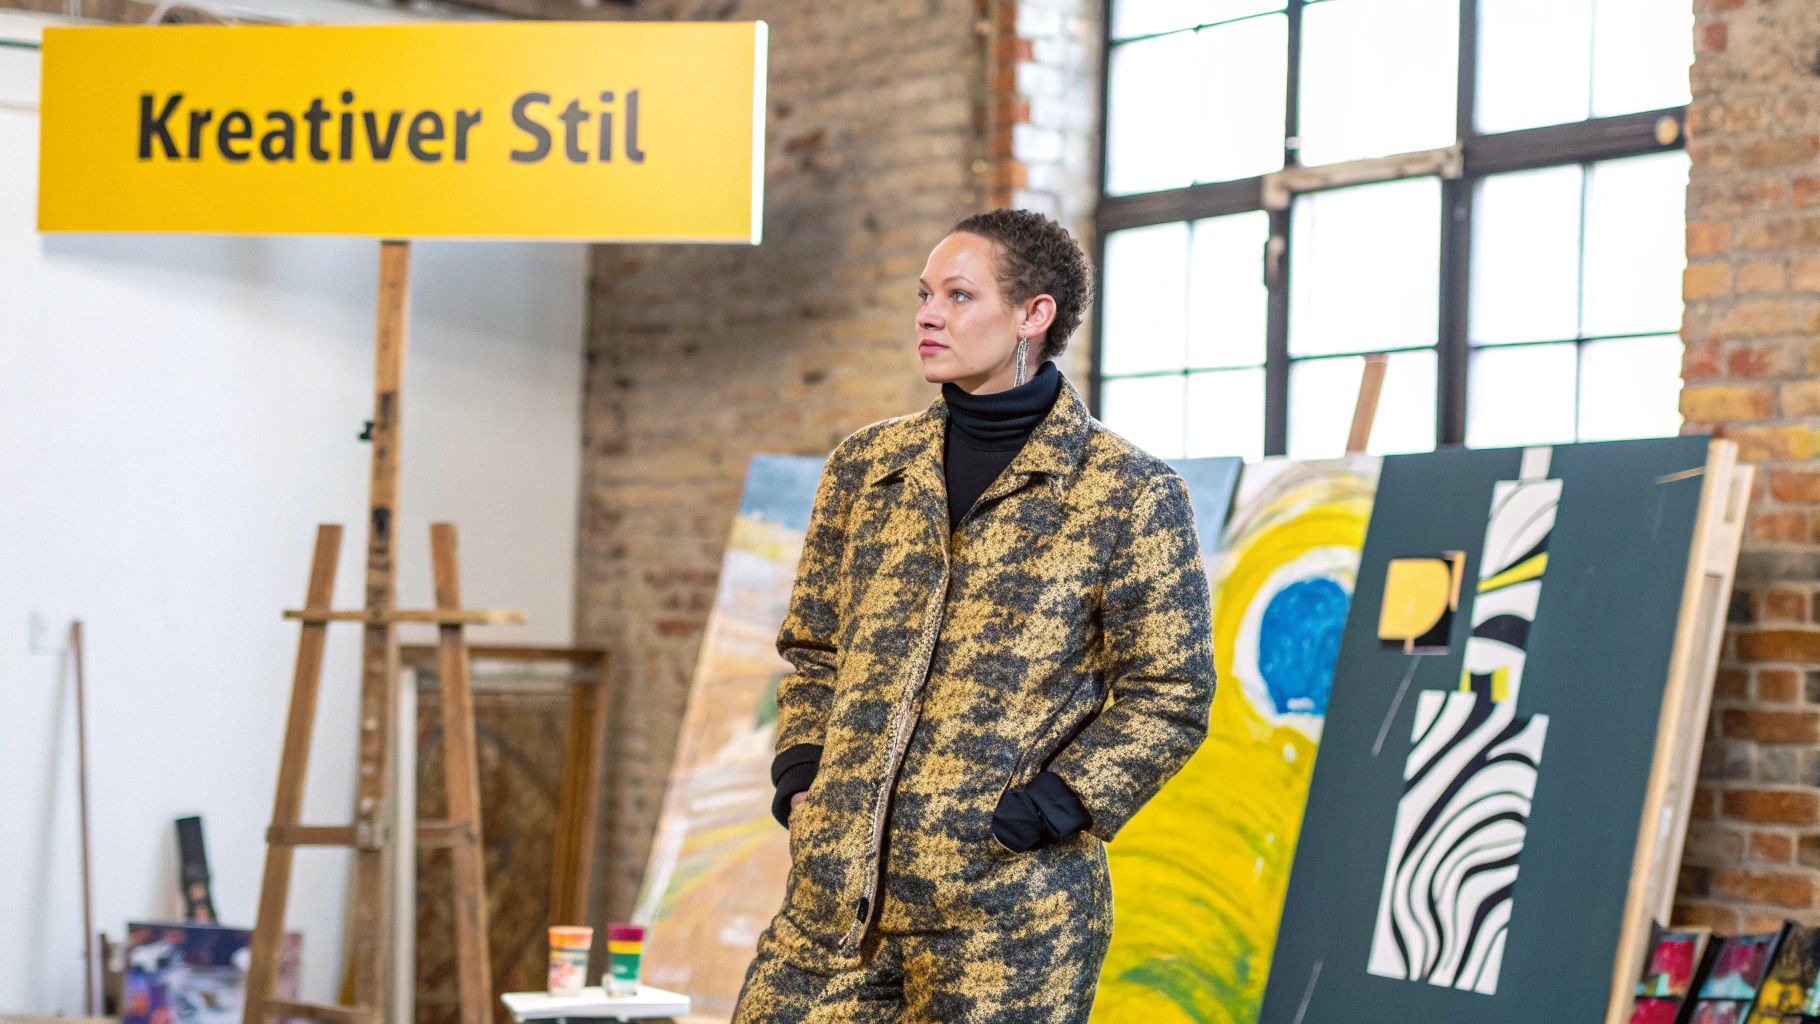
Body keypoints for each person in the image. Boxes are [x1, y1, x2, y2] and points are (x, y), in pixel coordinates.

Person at [730, 208, 1216, 1023]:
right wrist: (805, 779)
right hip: (834, 905)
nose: (928, 315)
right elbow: (816, 650)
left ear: (1034, 314)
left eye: (958, 296)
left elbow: (1169, 693)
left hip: (1007, 925)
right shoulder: (866, 468)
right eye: (924, 295)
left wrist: (1044, 810)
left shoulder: (1127, 492)